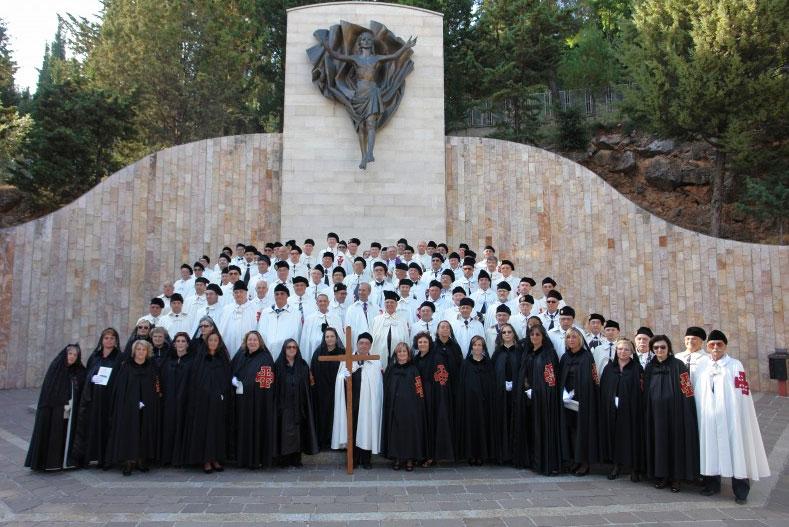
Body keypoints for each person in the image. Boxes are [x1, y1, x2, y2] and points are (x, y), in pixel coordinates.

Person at [692, 330, 770, 504]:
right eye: (712, 344)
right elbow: (697, 390)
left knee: (736, 449)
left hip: (731, 417)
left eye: (719, 344)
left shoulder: (735, 365)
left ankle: (741, 489)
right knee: (710, 448)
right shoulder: (703, 365)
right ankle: (712, 483)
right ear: (707, 346)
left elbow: (742, 393)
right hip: (709, 417)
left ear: (725, 346)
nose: (715, 348)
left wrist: (739, 414)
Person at [643, 334, 699, 493]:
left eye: (662, 347)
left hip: (675, 414)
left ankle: (676, 478)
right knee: (659, 444)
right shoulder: (649, 367)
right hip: (655, 415)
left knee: (675, 444)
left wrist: (686, 412)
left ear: (668, 348)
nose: (659, 350)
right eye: (655, 348)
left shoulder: (679, 365)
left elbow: (687, 391)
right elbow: (645, 391)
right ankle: (662, 476)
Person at [25, 344, 86, 471]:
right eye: (70, 354)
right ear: (65, 354)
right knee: (55, 434)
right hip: (55, 410)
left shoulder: (79, 370)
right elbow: (50, 391)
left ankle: (67, 461)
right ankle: (51, 463)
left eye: (75, 355)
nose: (72, 357)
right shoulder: (56, 368)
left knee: (67, 435)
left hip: (71, 410)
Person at [105, 340, 161, 476]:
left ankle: (141, 460)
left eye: (144, 350)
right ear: (134, 351)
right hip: (128, 408)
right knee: (130, 432)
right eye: (138, 349)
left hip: (146, 407)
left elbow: (154, 389)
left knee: (144, 431)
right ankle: (129, 461)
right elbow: (121, 390)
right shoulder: (126, 367)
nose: (141, 352)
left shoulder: (151, 368)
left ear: (147, 352)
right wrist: (131, 402)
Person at [512, 324, 561, 475]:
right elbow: (523, 373)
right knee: (529, 428)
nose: (534, 337)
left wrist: (538, 391)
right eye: (532, 334)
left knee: (541, 429)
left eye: (537, 335)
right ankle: (530, 460)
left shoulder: (548, 354)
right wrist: (526, 388)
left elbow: (550, 379)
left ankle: (542, 462)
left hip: (543, 399)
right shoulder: (527, 352)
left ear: (543, 336)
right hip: (527, 398)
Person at [332, 332, 384, 469]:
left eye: (367, 343)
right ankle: (352, 459)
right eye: (361, 343)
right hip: (351, 402)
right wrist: (343, 376)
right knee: (352, 429)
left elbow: (377, 385)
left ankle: (366, 459)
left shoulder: (375, 361)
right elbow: (339, 379)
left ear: (370, 345)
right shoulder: (347, 360)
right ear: (356, 344)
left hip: (368, 403)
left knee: (367, 428)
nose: (364, 346)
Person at [182, 331, 232, 474]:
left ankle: (215, 458)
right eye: (211, 340)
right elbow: (196, 380)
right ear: (207, 342)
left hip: (218, 402)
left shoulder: (223, 359)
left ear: (219, 342)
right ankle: (205, 460)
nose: (213, 343)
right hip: (202, 402)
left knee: (217, 430)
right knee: (204, 430)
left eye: (216, 340)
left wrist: (221, 393)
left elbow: (226, 379)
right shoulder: (200, 359)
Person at [73, 328, 121, 468]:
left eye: (112, 338)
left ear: (116, 340)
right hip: (93, 399)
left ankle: (105, 459)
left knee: (107, 428)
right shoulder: (95, 356)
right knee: (91, 427)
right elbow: (87, 374)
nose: (109, 340)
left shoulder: (119, 357)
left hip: (109, 399)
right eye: (106, 338)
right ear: (102, 340)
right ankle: (88, 457)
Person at [229, 331, 277, 469]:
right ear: (245, 341)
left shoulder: (265, 358)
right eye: (249, 339)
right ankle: (243, 459)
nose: (252, 342)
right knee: (243, 428)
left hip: (259, 403)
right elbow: (232, 371)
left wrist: (247, 385)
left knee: (257, 429)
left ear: (260, 342)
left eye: (255, 340)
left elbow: (266, 381)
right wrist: (233, 379)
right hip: (242, 403)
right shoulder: (240, 356)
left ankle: (257, 460)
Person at [599, 338, 644, 482]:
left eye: (626, 349)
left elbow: (640, 390)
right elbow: (604, 388)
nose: (622, 352)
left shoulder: (637, 368)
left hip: (631, 409)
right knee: (614, 436)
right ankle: (616, 465)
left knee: (631, 436)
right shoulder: (609, 368)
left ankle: (634, 468)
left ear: (631, 352)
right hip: (612, 408)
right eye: (620, 349)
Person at [558, 327, 600, 476]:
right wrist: (564, 393)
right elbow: (560, 378)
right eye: (568, 337)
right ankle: (573, 460)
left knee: (583, 431)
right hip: (566, 401)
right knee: (570, 431)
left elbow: (593, 379)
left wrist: (576, 393)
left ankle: (584, 462)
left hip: (583, 400)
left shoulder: (587, 357)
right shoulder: (565, 357)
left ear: (580, 339)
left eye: (574, 337)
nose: (571, 340)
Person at [381, 342, 426, 471]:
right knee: (396, 432)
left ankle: (409, 459)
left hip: (411, 408)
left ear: (409, 354)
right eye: (399, 352)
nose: (402, 354)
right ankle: (397, 458)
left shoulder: (414, 369)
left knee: (410, 433)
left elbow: (419, 389)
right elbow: (387, 388)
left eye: (404, 351)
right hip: (395, 407)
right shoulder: (391, 369)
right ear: (396, 354)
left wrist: (419, 404)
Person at [273, 340, 319, 467]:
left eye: (294, 347)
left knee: (298, 432)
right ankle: (284, 459)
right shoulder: (278, 366)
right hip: (284, 405)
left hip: (299, 404)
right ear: (284, 349)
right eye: (289, 347)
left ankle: (296, 459)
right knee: (284, 432)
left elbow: (308, 385)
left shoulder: (303, 365)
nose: (292, 349)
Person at [412, 332, 454, 466]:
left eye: (425, 342)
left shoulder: (437, 357)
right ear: (416, 344)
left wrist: (439, 396)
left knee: (432, 425)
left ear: (429, 343)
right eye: (420, 342)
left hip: (433, 396)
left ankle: (431, 456)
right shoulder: (416, 359)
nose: (422, 344)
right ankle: (421, 454)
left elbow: (442, 379)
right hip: (419, 396)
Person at [455, 336, 496, 465]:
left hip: (484, 402)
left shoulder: (488, 363)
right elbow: (461, 384)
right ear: (471, 347)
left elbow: (491, 383)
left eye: (480, 345)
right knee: (471, 428)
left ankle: (482, 455)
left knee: (483, 427)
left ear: (483, 348)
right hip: (470, 403)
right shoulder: (466, 363)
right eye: (475, 345)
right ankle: (471, 455)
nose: (477, 347)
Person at [158, 332, 196, 467]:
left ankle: (181, 458)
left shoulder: (192, 361)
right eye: (178, 341)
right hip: (168, 401)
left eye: (183, 341)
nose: (180, 344)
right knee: (168, 426)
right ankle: (167, 457)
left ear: (187, 344)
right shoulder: (167, 361)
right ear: (174, 344)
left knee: (182, 426)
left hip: (185, 401)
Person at [310, 327, 344, 449]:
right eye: (327, 336)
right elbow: (312, 370)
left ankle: (336, 441)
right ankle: (322, 441)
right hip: (321, 390)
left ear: (336, 338)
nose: (329, 339)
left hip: (338, 390)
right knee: (322, 415)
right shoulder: (318, 352)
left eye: (332, 336)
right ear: (324, 339)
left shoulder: (342, 352)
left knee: (336, 415)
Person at [258, 284, 301, 361]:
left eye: (282, 293)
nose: (279, 296)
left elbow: (297, 334)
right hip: (267, 355)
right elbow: (260, 332)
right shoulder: (265, 312)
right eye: (276, 294)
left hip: (287, 356)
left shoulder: (296, 314)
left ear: (287, 296)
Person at [370, 290, 410, 369]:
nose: (389, 304)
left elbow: (406, 340)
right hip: (379, 355)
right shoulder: (376, 320)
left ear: (396, 304)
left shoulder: (402, 320)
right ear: (384, 304)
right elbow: (372, 339)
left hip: (398, 357)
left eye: (392, 302)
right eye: (387, 302)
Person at [219, 281, 259, 358]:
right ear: (233, 294)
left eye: (241, 292)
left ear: (246, 293)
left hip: (248, 348)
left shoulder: (255, 309)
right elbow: (222, 329)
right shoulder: (226, 309)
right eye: (236, 292)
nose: (238, 294)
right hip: (229, 346)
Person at [300, 293, 343, 362]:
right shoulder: (310, 319)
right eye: (320, 301)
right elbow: (305, 341)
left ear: (328, 303)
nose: (322, 303)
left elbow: (341, 337)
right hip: (316, 353)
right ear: (316, 303)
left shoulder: (336, 318)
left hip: (334, 353)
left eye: (325, 301)